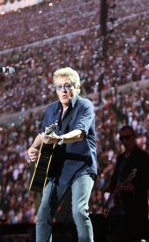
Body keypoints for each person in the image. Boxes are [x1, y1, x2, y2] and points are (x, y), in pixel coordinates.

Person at [27, 67, 97, 242]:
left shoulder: (85, 105)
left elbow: (80, 133)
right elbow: (43, 132)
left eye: (67, 85)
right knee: (43, 214)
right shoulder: (51, 110)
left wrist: (58, 139)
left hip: (82, 167)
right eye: (59, 87)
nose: (63, 90)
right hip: (58, 169)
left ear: (77, 87)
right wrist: (33, 147)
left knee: (79, 211)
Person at [105, 125, 149, 242]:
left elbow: (147, 183)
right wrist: (111, 187)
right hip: (117, 212)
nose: (125, 141)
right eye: (122, 139)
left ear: (134, 137)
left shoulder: (142, 156)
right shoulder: (120, 158)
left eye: (127, 138)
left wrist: (134, 188)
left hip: (133, 214)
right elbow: (117, 179)